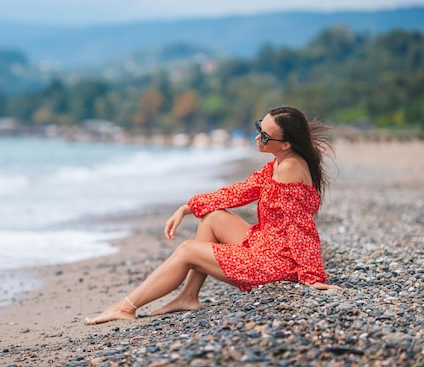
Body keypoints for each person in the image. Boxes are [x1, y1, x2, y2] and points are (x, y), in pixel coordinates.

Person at [85, 105, 340, 325]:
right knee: (213, 217)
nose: (257, 137)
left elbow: (301, 226)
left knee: (187, 250)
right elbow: (241, 191)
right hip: (266, 243)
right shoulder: (279, 162)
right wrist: (189, 207)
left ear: (285, 143)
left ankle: (126, 307)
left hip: (278, 262)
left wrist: (312, 277)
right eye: (259, 128)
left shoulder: (290, 169)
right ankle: (188, 296)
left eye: (264, 135)